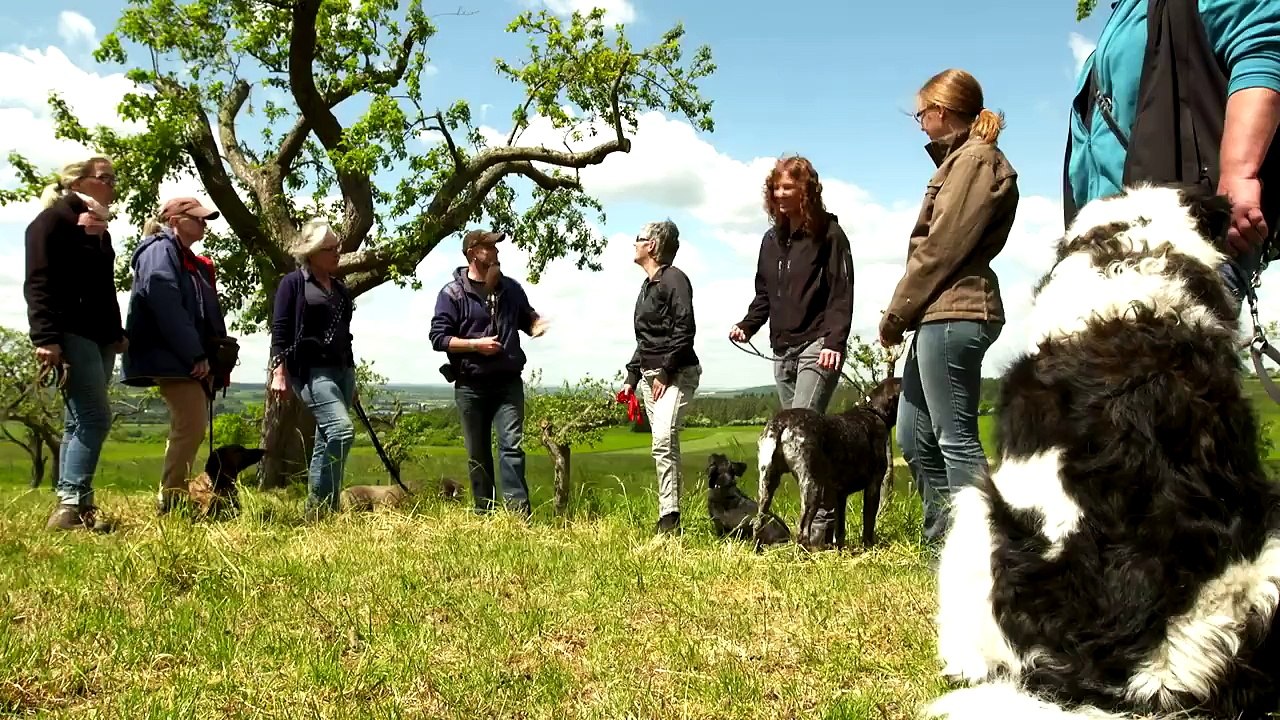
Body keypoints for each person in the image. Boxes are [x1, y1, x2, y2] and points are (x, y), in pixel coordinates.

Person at [1064, 0, 1280, 312]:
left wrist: (1239, 172)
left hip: (1185, 238)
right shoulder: (1124, 15)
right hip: (1102, 250)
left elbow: (1260, 50)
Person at [878, 68, 1018, 548]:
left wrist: (896, 312)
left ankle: (981, 553)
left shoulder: (976, 162)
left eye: (921, 114)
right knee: (914, 439)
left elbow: (942, 247)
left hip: (957, 310)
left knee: (955, 438)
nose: (919, 124)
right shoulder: (959, 161)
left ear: (940, 111)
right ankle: (942, 543)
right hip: (937, 313)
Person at [729, 155, 854, 546]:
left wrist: (834, 341)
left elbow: (841, 293)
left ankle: (818, 533)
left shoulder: (829, 234)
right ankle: (818, 528)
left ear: (807, 191)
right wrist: (747, 325)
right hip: (781, 349)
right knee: (796, 445)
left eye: (790, 188)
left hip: (818, 346)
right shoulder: (771, 240)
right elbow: (764, 295)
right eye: (776, 188)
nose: (781, 194)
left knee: (803, 440)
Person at [23, 155, 128, 531]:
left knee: (76, 422)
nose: (113, 185)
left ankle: (78, 508)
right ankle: (70, 503)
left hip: (99, 336)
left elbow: (102, 288)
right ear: (78, 182)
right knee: (96, 418)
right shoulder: (51, 222)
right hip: (70, 332)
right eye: (106, 178)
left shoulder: (99, 228)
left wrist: (116, 332)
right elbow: (38, 282)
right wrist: (46, 337)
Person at [121, 197, 229, 515]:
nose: (203, 224)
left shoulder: (184, 257)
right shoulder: (159, 251)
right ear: (174, 221)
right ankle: (173, 500)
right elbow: (165, 303)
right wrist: (195, 353)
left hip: (179, 356)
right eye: (196, 218)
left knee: (188, 425)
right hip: (172, 356)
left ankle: (172, 496)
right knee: (191, 424)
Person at [429, 230, 547, 519]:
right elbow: (438, 338)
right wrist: (475, 345)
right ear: (472, 251)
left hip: (507, 382)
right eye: (490, 246)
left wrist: (537, 325)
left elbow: (527, 319)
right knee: (478, 455)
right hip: (471, 385)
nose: (496, 251)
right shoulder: (452, 294)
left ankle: (518, 517)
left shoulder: (511, 288)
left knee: (512, 449)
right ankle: (485, 515)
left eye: (496, 247)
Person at [268, 219, 357, 518]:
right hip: (311, 372)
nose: (337, 253)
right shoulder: (292, 284)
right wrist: (279, 372)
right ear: (313, 252)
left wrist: (352, 377)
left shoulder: (341, 291)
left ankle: (319, 512)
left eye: (338, 247)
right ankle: (323, 506)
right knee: (341, 432)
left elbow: (346, 337)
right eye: (330, 248)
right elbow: (280, 331)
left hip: (342, 371)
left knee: (326, 438)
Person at [620, 220, 702, 535]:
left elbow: (685, 329)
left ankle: (670, 520)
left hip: (677, 374)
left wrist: (666, 371)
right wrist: (631, 376)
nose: (634, 243)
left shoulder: (674, 280)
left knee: (663, 440)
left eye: (638, 239)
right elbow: (646, 341)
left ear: (652, 245)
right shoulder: (646, 287)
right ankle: (669, 515)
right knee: (665, 446)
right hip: (650, 377)